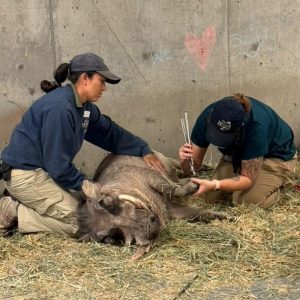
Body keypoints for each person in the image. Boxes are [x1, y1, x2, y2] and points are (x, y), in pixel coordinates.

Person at [0, 52, 164, 236]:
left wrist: (143, 149)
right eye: (101, 81)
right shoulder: (60, 109)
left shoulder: (83, 107)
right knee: (85, 223)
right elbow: (58, 166)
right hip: (26, 174)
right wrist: (86, 185)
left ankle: (26, 204)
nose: (104, 88)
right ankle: (12, 213)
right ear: (85, 78)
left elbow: (110, 133)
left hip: (45, 172)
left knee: (90, 208)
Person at [179, 93, 297, 209]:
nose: (217, 140)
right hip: (239, 155)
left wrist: (215, 184)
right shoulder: (209, 115)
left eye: (224, 136)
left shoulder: (256, 127)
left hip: (274, 156)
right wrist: (185, 161)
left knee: (246, 201)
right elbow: (193, 169)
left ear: (240, 127)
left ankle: (282, 182)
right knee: (210, 198)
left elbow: (247, 179)